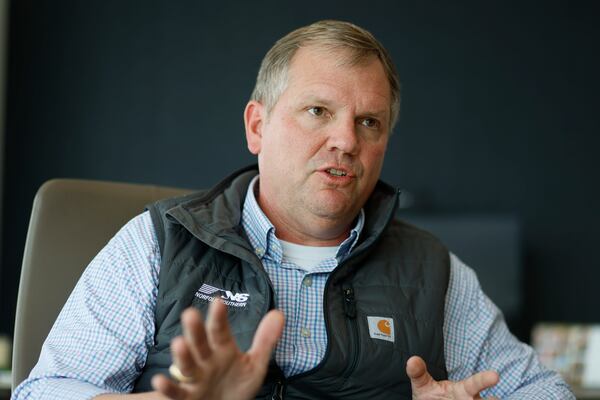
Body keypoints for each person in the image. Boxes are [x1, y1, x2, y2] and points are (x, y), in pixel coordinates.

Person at [13, 20, 573, 400]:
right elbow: (43, 391)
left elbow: (546, 392)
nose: (345, 142)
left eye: (368, 122)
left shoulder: (432, 271)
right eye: (317, 111)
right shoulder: (159, 242)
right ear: (258, 126)